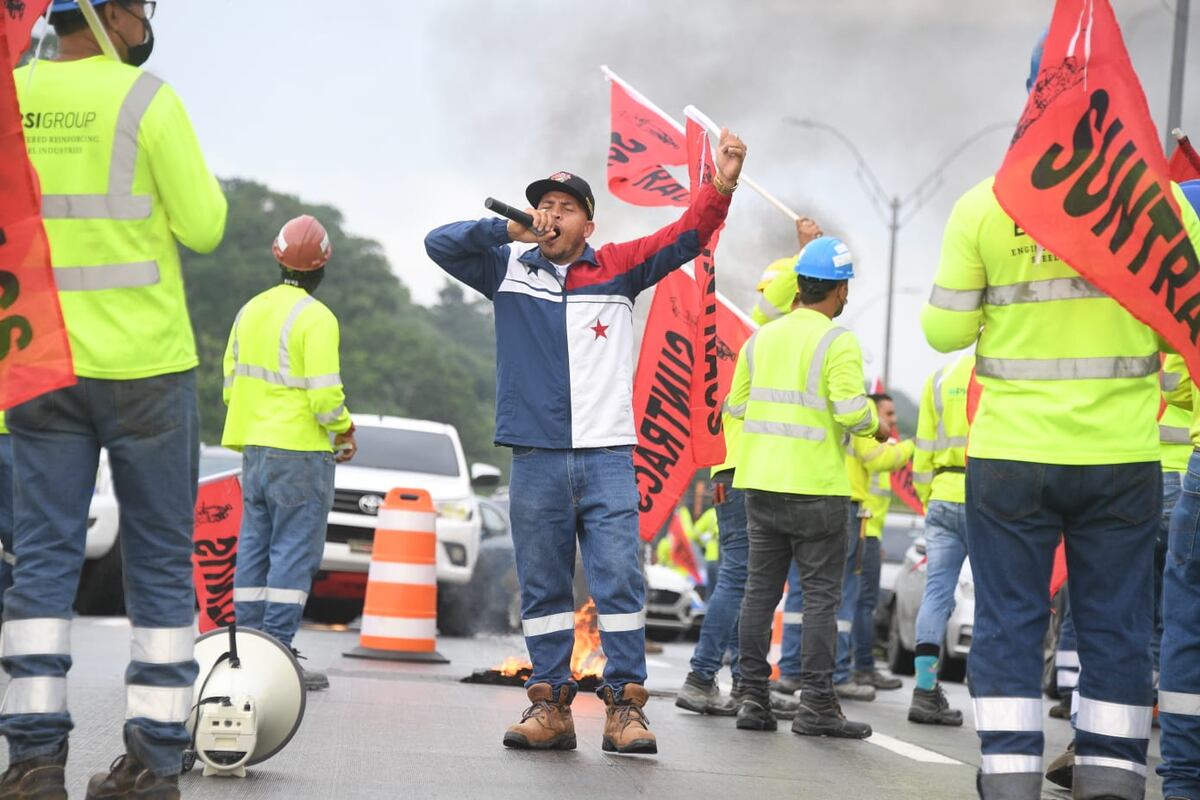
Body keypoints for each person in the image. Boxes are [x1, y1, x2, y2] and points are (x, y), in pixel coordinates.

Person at [921, 57, 1200, 793]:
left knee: (1011, 622)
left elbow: (944, 332)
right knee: (1115, 626)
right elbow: (1187, 324)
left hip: (1011, 457)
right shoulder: (1162, 206)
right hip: (1122, 459)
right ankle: (1112, 779)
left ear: (1033, 101)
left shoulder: (985, 204)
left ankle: (1010, 779)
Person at [425, 129, 746, 754]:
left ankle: (626, 707)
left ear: (588, 225)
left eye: (565, 207)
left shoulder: (620, 265)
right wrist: (506, 231)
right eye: (543, 205)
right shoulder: (506, 267)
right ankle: (550, 706)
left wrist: (721, 185)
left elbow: (690, 233)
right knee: (543, 587)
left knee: (619, 580)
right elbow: (438, 244)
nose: (551, 214)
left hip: (607, 456)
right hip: (535, 456)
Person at [1, 1, 227, 796]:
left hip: (40, 361)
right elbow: (205, 226)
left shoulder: (12, 96)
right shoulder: (146, 99)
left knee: (41, 564)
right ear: (114, 16)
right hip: (146, 367)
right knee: (159, 562)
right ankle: (155, 760)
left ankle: (33, 759)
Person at [728, 236, 888, 739]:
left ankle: (752, 697)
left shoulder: (760, 339)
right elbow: (851, 411)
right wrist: (876, 426)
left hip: (760, 483)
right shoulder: (838, 341)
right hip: (817, 487)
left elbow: (736, 407)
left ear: (799, 285)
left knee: (759, 593)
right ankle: (817, 704)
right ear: (840, 290)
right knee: (820, 598)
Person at [675, 219, 822, 720]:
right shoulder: (773, 335)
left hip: (738, 469)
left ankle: (746, 684)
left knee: (752, 583)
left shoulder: (759, 337)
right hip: (744, 471)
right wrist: (808, 254)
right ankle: (701, 677)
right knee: (742, 580)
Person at [221, 215, 356, 692]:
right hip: (299, 452)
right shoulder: (317, 318)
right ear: (323, 266)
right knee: (293, 557)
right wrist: (343, 428)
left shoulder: (249, 310)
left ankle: (245, 652)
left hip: (254, 450)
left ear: (278, 258)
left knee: (254, 553)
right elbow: (324, 397)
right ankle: (277, 655)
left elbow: (230, 384)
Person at [1142, 179, 1200, 800]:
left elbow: (1177, 385)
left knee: (1180, 627)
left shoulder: (1190, 297)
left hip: (1183, 477)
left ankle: (1183, 779)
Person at [906, 353, 974, 727]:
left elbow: (923, 451)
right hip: (988, 494)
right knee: (993, 596)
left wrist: (928, 499)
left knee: (936, 594)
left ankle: (925, 690)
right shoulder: (1004, 368)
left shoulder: (939, 378)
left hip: (943, 494)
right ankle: (989, 688)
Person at [831, 393, 912, 698]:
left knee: (855, 600)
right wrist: (912, 446)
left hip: (868, 528)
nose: (893, 420)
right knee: (860, 602)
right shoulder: (870, 438)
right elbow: (878, 461)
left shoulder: (875, 441)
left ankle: (847, 667)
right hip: (860, 523)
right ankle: (858, 667)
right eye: (888, 414)